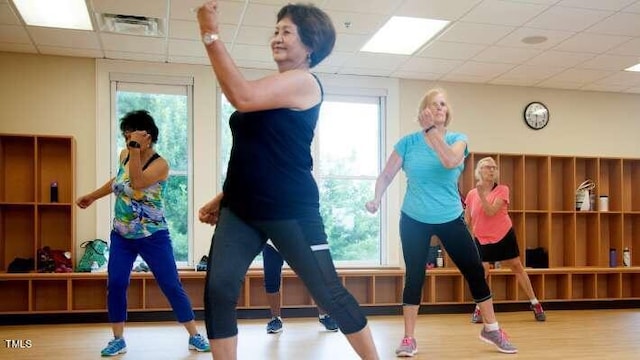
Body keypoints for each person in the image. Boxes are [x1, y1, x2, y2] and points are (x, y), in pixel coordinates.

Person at [196, 2, 379, 360]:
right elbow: (262, 151)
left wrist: (210, 33)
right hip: (242, 209)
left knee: (328, 293)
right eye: (276, 31)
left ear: (309, 46)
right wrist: (223, 196)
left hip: (291, 210)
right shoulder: (275, 87)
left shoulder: (304, 82)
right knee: (218, 289)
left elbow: (242, 96)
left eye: (287, 32)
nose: (277, 38)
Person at [365, 88, 517, 356]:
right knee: (415, 276)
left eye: (443, 104)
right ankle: (408, 339)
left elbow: (449, 161)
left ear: (447, 112)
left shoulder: (459, 140)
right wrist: (376, 198)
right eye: (433, 104)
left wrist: (431, 132)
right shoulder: (407, 143)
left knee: (474, 270)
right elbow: (386, 175)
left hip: (450, 217)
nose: (438, 108)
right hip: (414, 218)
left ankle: (491, 328)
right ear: (423, 110)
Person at [75, 110, 210, 356]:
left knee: (170, 284)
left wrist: (135, 150)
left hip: (153, 236)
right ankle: (118, 339)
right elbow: (119, 180)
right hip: (122, 235)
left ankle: (194, 335)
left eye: (133, 135)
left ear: (147, 136)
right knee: (116, 283)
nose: (128, 140)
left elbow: (137, 183)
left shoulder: (161, 164)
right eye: (126, 135)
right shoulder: (125, 155)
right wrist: (92, 197)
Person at [464, 156, 546, 323]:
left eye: (494, 168)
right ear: (479, 171)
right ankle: (480, 308)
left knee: (516, 266)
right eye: (488, 167)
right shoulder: (472, 194)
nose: (492, 170)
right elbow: (467, 219)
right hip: (481, 238)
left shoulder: (502, 190)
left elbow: (491, 211)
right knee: (482, 271)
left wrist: (481, 194)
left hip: (503, 234)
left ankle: (535, 303)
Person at [262, 242, 339, 333]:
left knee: (313, 278)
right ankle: (275, 319)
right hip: (271, 243)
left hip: (297, 240)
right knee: (271, 279)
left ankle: (324, 315)